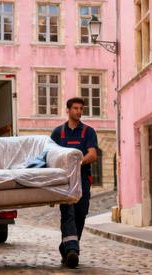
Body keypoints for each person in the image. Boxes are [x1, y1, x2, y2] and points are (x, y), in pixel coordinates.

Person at [50, 97, 99, 268]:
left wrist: (78, 163)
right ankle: (72, 251)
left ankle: (67, 246)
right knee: (68, 213)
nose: (79, 111)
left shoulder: (88, 132)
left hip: (83, 179)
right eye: (75, 108)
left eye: (81, 109)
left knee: (80, 214)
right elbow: (51, 159)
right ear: (68, 110)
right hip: (64, 181)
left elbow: (92, 154)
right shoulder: (58, 133)